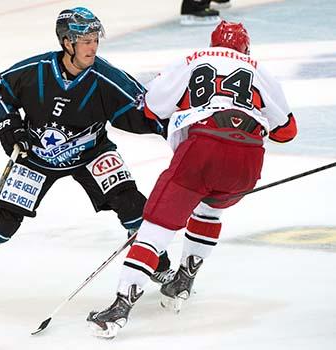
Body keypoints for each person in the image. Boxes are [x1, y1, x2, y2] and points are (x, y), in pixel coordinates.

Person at [0, 7, 174, 306]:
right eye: (85, 40)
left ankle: (161, 267)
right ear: (66, 42)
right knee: (3, 222)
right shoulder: (34, 70)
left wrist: (182, 131)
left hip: (91, 152)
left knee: (132, 206)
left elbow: (146, 111)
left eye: (94, 39)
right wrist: (8, 125)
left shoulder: (107, 78)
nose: (93, 46)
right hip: (35, 155)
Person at [87, 20, 297, 338]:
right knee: (211, 208)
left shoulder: (191, 59)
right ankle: (183, 282)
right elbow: (287, 132)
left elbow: (152, 107)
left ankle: (119, 309)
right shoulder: (260, 71)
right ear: (246, 48)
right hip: (249, 161)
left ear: (213, 45)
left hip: (202, 148)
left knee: (157, 226)